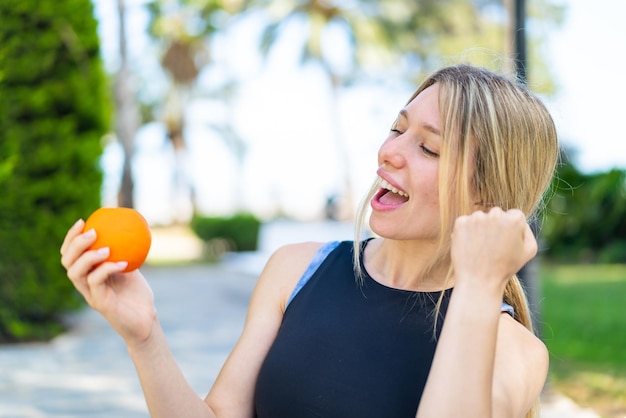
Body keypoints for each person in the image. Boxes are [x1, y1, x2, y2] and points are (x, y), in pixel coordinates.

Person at [60, 63, 559, 418]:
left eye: (428, 147)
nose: (389, 152)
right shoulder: (297, 271)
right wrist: (144, 337)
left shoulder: (514, 352)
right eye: (396, 129)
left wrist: (480, 282)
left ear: (486, 197)